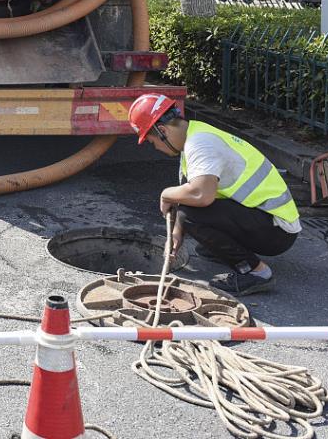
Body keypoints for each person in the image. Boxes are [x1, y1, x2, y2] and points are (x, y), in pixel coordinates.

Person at [128, 93, 300, 295]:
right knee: (189, 210)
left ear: (162, 131)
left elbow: (202, 196)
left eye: (152, 141)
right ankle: (223, 247)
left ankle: (256, 272)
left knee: (191, 214)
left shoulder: (200, 145)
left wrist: (165, 194)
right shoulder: (195, 135)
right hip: (266, 219)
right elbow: (191, 195)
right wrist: (175, 235)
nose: (155, 147)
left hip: (277, 232)